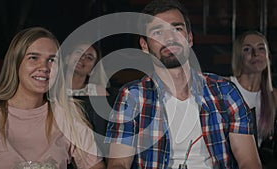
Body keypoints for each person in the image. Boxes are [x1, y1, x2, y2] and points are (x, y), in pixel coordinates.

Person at [104, 0, 262, 168]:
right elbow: (119, 163)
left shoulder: (224, 91)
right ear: (144, 45)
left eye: (177, 29)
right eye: (158, 32)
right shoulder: (132, 96)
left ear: (190, 38)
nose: (170, 38)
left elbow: (249, 161)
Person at [0, 27, 105, 169]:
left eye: (51, 60)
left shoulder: (68, 112)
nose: (44, 67)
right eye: (33, 58)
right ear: (16, 62)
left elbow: (95, 166)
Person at [229, 30, 277, 165]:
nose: (255, 54)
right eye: (247, 49)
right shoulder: (225, 87)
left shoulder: (273, 97)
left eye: (261, 48)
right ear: (239, 56)